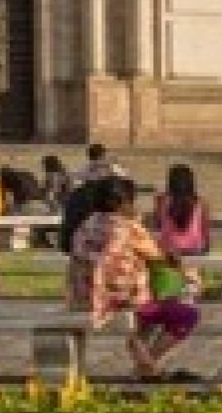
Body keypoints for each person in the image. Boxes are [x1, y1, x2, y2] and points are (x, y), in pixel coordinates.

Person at [67, 177, 198, 382]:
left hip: (85, 299)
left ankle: (143, 361)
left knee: (146, 313)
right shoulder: (128, 227)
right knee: (186, 314)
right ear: (122, 203)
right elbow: (158, 256)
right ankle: (148, 366)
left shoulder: (84, 225)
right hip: (120, 301)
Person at [151, 164, 211, 258]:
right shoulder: (201, 203)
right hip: (195, 253)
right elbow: (206, 235)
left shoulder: (162, 200)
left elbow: (157, 225)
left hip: (169, 254)